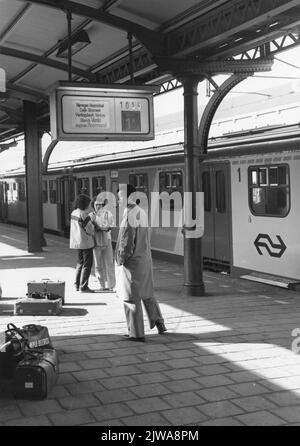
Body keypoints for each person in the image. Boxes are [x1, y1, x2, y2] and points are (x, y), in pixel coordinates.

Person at [115, 184, 167, 342]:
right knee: (147, 292)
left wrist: (121, 260)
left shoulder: (129, 213)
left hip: (132, 262)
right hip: (144, 258)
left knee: (130, 297)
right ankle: (159, 323)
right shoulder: (141, 211)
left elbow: (126, 240)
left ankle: (136, 333)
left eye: (120, 197)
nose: (117, 201)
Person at [90, 194, 116, 291]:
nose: (98, 206)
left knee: (109, 262)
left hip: (107, 240)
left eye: (100, 204)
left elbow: (112, 224)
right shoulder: (91, 215)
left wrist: (105, 228)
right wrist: (95, 227)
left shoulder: (108, 213)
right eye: (96, 204)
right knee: (98, 264)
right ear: (93, 205)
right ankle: (101, 285)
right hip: (95, 242)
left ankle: (111, 285)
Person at [70, 194, 95, 293]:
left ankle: (76, 284)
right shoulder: (84, 215)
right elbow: (90, 229)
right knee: (87, 265)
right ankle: (83, 286)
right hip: (86, 242)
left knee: (79, 263)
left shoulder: (74, 212)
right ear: (85, 205)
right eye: (89, 204)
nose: (90, 206)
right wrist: (93, 223)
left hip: (77, 242)